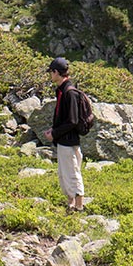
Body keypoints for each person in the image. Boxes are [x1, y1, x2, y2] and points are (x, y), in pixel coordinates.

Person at [42, 57, 85, 212]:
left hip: (69, 141)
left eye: (51, 72)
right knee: (64, 173)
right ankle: (71, 203)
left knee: (72, 173)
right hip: (64, 140)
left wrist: (54, 133)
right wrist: (54, 130)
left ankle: (79, 206)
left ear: (56, 72)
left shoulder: (69, 93)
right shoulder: (62, 90)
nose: (50, 75)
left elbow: (72, 121)